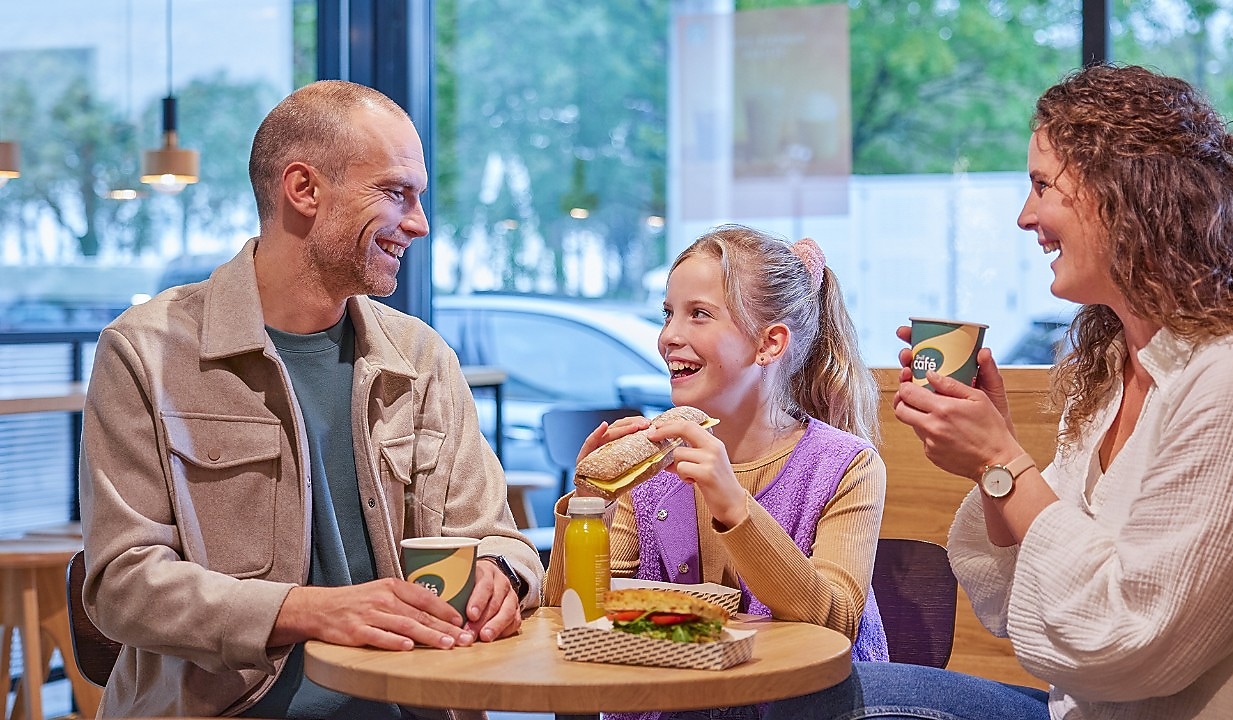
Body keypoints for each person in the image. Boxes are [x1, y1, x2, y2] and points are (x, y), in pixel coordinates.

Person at [767, 64, 1233, 720]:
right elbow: (1016, 601)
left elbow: (1128, 643)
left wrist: (999, 459)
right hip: (1074, 709)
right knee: (811, 693)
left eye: (1042, 186)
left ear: (1127, 192)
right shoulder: (1110, 371)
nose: (1024, 216)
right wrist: (992, 463)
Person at [78, 80, 542, 719]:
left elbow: (499, 538)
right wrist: (309, 611)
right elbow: (123, 586)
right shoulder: (146, 351)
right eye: (395, 193)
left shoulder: (422, 357)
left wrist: (501, 575)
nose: (419, 223)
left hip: (416, 703)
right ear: (303, 190)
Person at [543, 224, 890, 720]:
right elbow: (569, 620)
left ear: (769, 344)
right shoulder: (652, 467)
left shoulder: (845, 465)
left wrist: (734, 507)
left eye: (699, 315)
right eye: (668, 314)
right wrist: (587, 508)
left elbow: (835, 623)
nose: (668, 337)